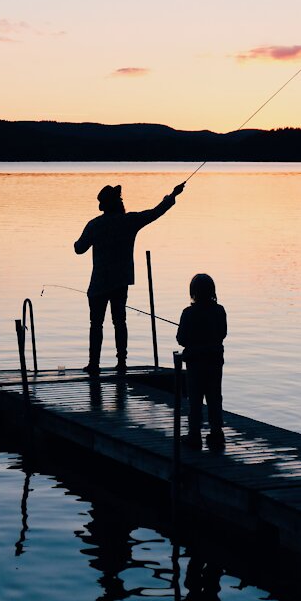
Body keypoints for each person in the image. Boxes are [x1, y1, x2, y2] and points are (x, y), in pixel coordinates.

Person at [74, 181, 185, 375]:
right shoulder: (129, 221)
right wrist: (172, 196)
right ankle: (122, 362)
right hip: (120, 282)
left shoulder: (95, 225)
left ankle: (94, 364)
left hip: (99, 283)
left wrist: (81, 240)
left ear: (103, 205)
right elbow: (155, 213)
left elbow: (79, 248)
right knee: (120, 322)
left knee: (96, 325)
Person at [176, 273, 227, 450]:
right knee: (214, 397)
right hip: (214, 362)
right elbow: (223, 333)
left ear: (193, 292)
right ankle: (217, 432)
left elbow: (181, 339)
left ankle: (194, 434)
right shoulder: (219, 311)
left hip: (195, 363)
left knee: (195, 399)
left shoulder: (188, 313)